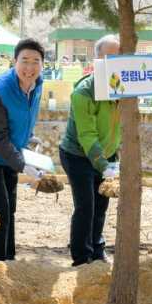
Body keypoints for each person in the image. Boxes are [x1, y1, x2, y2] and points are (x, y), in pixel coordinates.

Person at [0, 38, 45, 263]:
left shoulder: (38, 83)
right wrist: (23, 164)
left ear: (43, 64)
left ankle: (9, 258)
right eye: (24, 61)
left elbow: (24, 116)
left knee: (10, 207)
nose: (29, 68)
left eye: (36, 61)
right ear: (14, 61)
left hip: (13, 152)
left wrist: (29, 138)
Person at [59, 34, 121, 266]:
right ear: (97, 60)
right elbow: (87, 136)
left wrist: (113, 160)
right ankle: (81, 257)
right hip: (78, 154)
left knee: (102, 204)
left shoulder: (124, 89)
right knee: (86, 205)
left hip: (107, 155)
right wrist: (105, 166)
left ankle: (97, 249)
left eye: (119, 57)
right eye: (109, 57)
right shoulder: (84, 91)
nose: (114, 62)